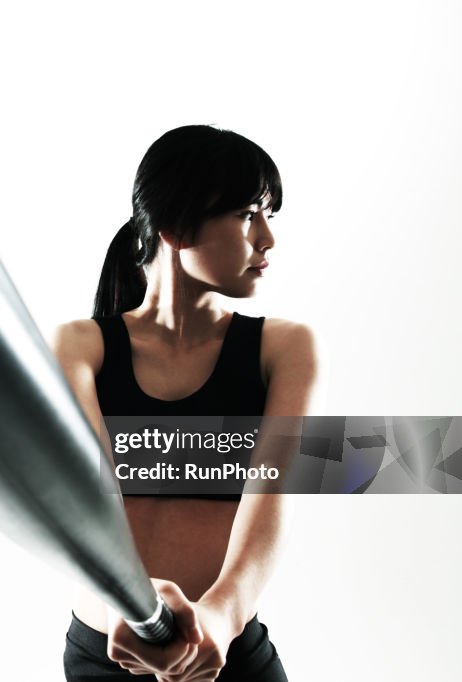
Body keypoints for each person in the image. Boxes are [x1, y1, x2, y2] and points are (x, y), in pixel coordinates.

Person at [50, 125, 326, 681]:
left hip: (227, 651)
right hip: (104, 652)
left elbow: (271, 495)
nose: (267, 238)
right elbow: (84, 503)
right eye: (249, 214)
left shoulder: (285, 346)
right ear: (176, 225)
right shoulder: (79, 346)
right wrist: (137, 611)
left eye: (269, 215)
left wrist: (218, 621)